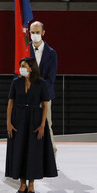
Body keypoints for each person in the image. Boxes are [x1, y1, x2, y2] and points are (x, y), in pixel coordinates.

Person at [6, 57, 57, 193]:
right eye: (20, 65)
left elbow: (45, 104)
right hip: (19, 120)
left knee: (33, 152)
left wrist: (42, 125)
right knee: (19, 150)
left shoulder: (41, 84)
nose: (21, 68)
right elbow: (10, 103)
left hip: (35, 119)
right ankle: (22, 184)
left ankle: (32, 184)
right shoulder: (16, 83)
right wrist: (8, 123)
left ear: (31, 67)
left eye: (23, 65)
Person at [29, 21, 58, 156]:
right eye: (32, 32)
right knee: (27, 127)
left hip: (44, 97)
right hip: (27, 96)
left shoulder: (51, 53)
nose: (35, 35)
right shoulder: (23, 50)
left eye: (37, 32)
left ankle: (52, 158)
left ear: (43, 33)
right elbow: (18, 74)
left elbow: (51, 79)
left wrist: (37, 89)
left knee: (46, 126)